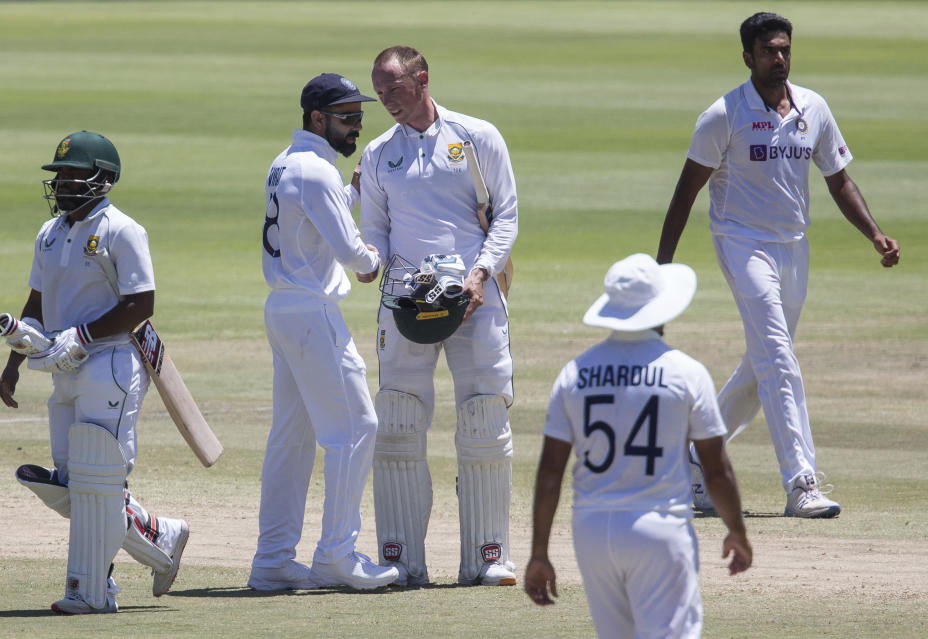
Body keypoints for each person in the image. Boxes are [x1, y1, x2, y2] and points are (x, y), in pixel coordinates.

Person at [656, 12, 900, 518]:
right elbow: (686, 192)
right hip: (741, 244)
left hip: (794, 247)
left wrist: (874, 234)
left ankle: (694, 461)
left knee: (765, 362)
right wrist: (663, 268)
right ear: (748, 57)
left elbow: (839, 180)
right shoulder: (723, 115)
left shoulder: (813, 107)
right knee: (780, 361)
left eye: (785, 49)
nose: (779, 58)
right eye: (768, 51)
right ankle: (801, 482)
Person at [0, 131, 189, 614]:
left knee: (96, 480)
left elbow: (141, 304)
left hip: (110, 364)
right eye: (57, 175)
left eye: (71, 174)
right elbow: (37, 302)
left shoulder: (123, 230)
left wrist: (82, 336)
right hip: (61, 367)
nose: (61, 183)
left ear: (102, 178)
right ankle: (159, 536)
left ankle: (93, 591)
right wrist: (15, 358)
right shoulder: (51, 231)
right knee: (73, 484)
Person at [525, 253, 752, 639]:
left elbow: (550, 473)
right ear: (661, 308)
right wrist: (736, 531)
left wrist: (540, 552)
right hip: (659, 528)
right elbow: (715, 469)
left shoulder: (574, 372)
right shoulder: (686, 371)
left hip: (592, 530)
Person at [358, 46, 519, 586]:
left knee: (484, 418)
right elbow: (375, 229)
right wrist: (371, 263)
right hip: (405, 302)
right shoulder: (380, 153)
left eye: (395, 90)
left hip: (476, 298)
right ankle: (401, 558)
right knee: (398, 420)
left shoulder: (476, 137)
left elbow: (507, 217)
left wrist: (480, 274)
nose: (387, 103)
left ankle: (488, 556)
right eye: (379, 94)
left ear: (423, 79)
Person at [247, 73, 399, 591]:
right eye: (347, 117)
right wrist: (376, 257)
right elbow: (355, 256)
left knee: (292, 439)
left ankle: (272, 560)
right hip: (313, 314)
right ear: (318, 118)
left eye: (359, 116)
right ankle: (336, 554)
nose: (357, 126)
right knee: (357, 428)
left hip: (285, 310)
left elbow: (313, 215)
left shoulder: (287, 162)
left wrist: (350, 193)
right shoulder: (315, 171)